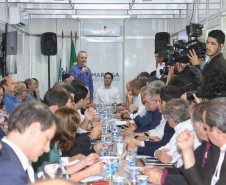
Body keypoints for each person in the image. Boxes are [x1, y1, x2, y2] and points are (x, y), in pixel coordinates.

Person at [143, 102, 215, 185]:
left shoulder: (215, 149)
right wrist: (162, 171)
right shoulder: (205, 145)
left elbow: (200, 181)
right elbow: (184, 171)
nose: (193, 127)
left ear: (203, 126)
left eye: (193, 123)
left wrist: (162, 178)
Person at [0, 102, 59, 185]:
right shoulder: (9, 172)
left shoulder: (10, 158)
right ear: (35, 129)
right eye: (47, 139)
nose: (47, 149)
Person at [177, 98, 226, 185]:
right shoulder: (217, 150)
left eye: (206, 128)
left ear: (217, 131)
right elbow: (201, 182)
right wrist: (187, 151)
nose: (205, 132)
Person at [154, 98, 200, 167]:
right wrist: (157, 152)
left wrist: (157, 153)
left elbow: (168, 157)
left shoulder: (184, 129)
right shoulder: (183, 126)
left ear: (172, 120)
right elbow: (167, 147)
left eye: (167, 117)